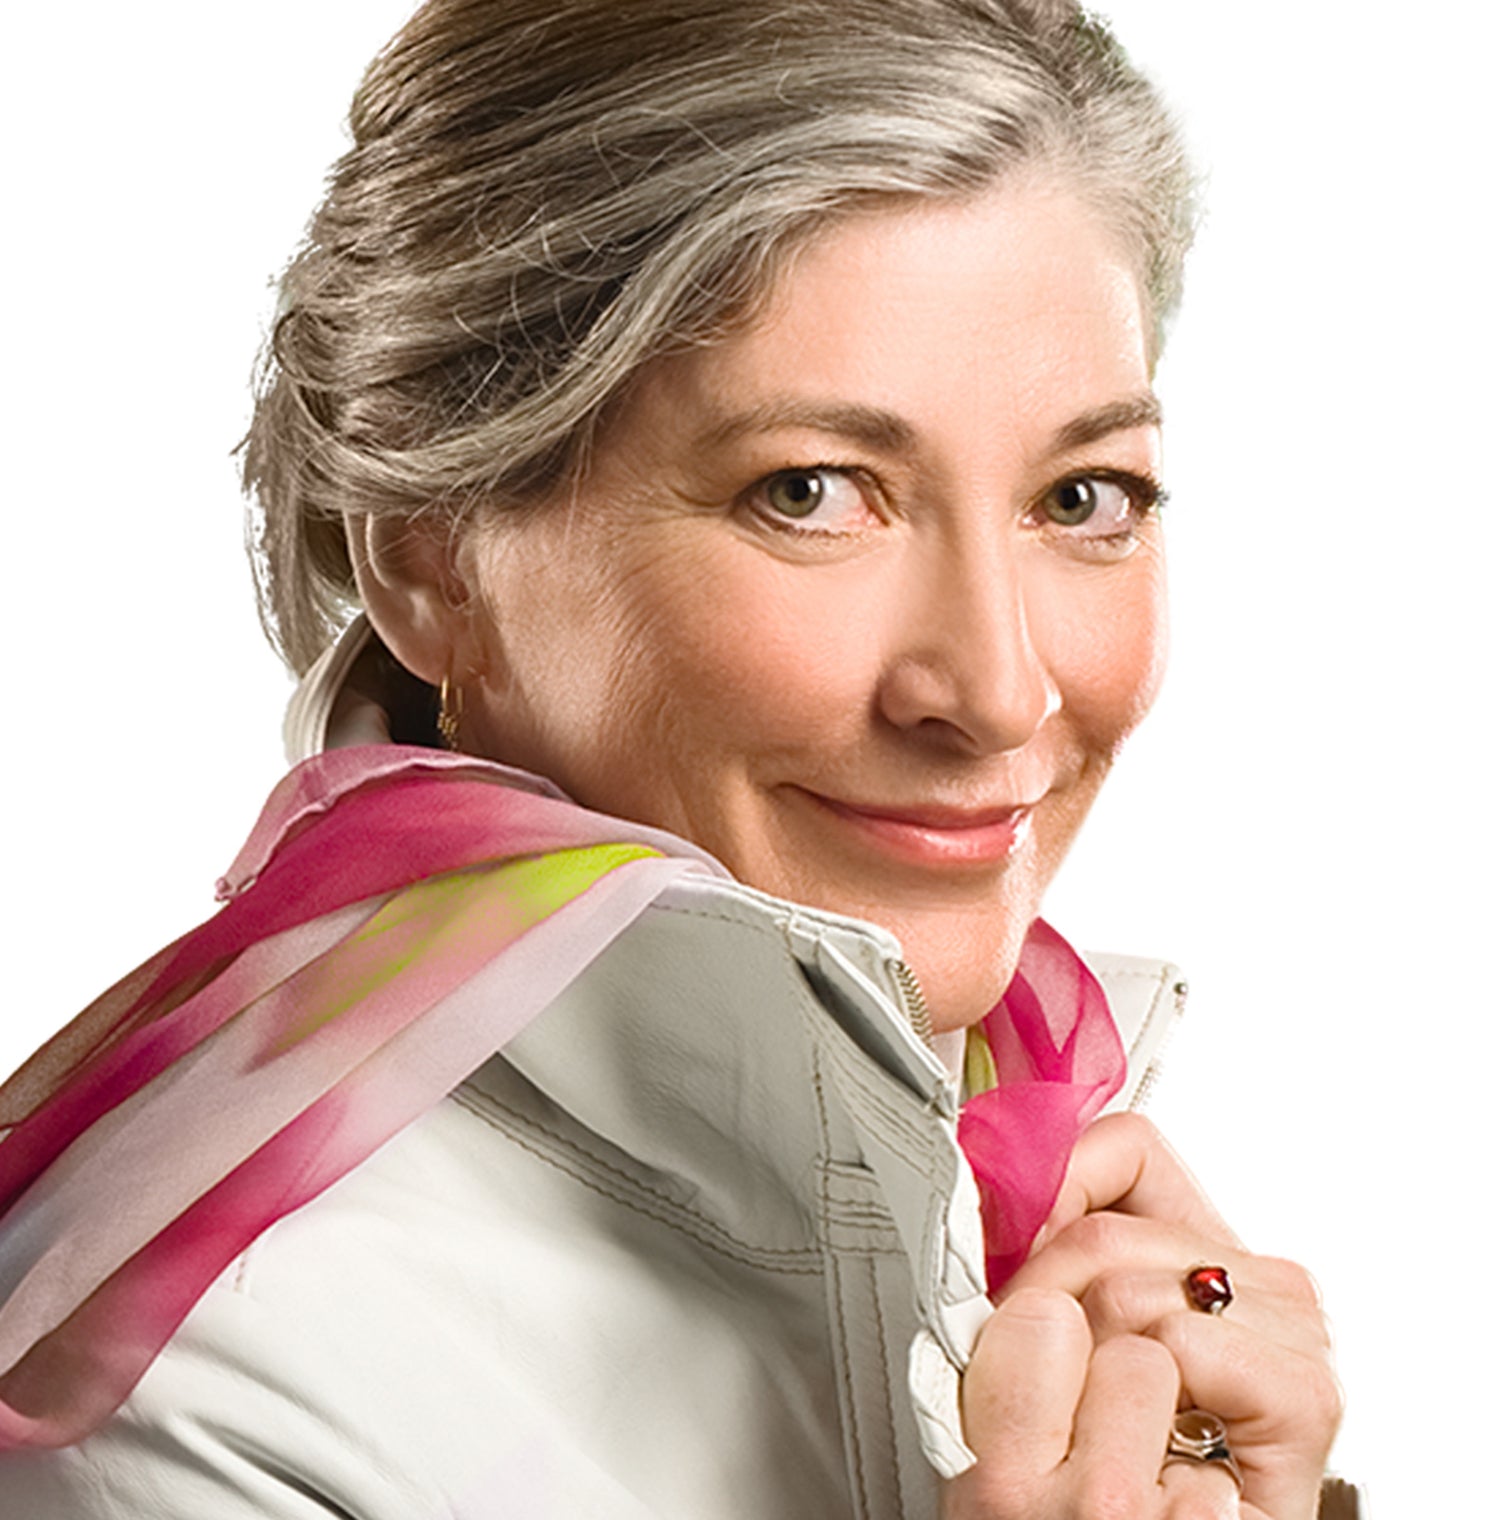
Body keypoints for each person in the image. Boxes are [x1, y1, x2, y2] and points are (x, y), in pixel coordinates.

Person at [0, 0, 1354, 1515]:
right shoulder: (164, 1406)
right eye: (811, 490)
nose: (996, 690)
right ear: (431, 564)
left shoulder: (1054, 1222)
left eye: (1086, 496)